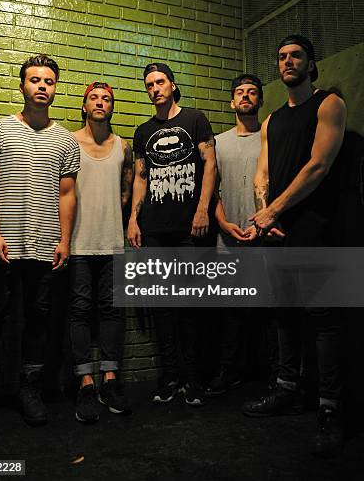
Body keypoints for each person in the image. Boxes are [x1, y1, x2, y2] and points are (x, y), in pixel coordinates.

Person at [0, 55, 80, 437]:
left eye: (49, 81)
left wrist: (64, 240)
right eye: (35, 80)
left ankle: (30, 389)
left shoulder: (65, 141)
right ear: (22, 86)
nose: (42, 86)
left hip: (45, 246)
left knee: (38, 320)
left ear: (55, 88)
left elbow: (67, 194)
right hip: (0, 246)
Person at [242, 35, 347, 458]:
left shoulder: (329, 104)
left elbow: (318, 165)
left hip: (320, 229)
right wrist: (266, 213)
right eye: (282, 56)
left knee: (324, 320)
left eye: (296, 55)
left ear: (311, 63)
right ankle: (288, 389)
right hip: (280, 231)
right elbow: (260, 174)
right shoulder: (271, 120)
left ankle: (331, 408)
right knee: (284, 313)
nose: (288, 61)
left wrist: (274, 212)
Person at [127, 62, 216, 406]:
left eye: (160, 82)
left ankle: (193, 379)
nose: (155, 89)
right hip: (154, 230)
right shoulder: (142, 131)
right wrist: (134, 220)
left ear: (172, 85)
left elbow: (211, 165)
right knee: (161, 306)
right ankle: (170, 376)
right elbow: (140, 177)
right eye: (149, 85)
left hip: (189, 229)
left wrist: (202, 208)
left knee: (191, 305)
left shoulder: (195, 119)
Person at [208, 73, 277, 395]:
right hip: (229, 239)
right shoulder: (219, 142)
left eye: (252, 92)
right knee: (231, 312)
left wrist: (265, 221)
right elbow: (211, 192)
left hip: (266, 238)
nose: (246, 96)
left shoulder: (272, 136)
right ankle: (229, 372)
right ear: (232, 101)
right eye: (240, 92)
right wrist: (222, 223)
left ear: (260, 100)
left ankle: (274, 377)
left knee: (270, 311)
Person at [69, 81, 132, 422]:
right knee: (79, 310)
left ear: (112, 107)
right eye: (94, 97)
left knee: (111, 311)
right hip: (78, 243)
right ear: (84, 106)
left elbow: (127, 192)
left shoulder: (122, 146)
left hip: (112, 243)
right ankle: (85, 382)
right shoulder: (69, 142)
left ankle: (110, 379)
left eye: (106, 99)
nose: (100, 102)